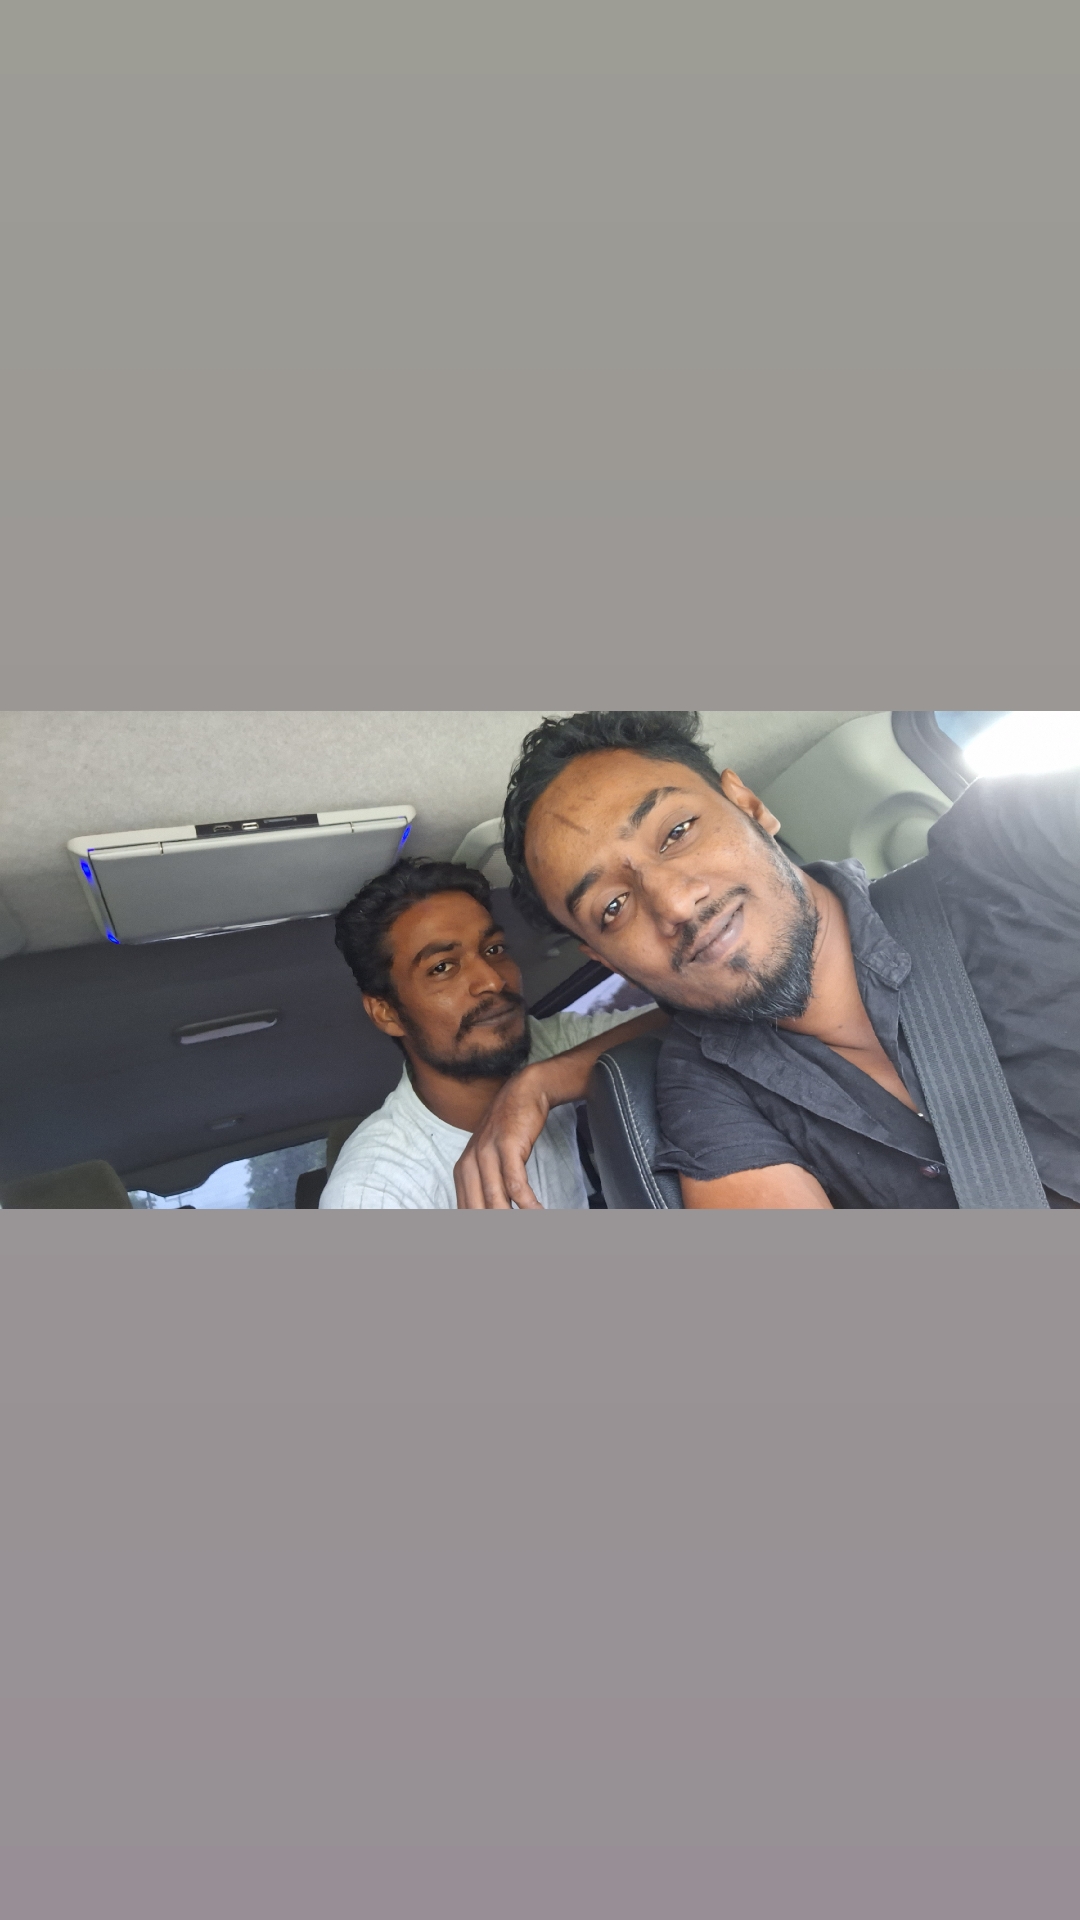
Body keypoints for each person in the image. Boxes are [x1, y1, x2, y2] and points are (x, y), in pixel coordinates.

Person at [465, 709, 1079, 1210]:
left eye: (677, 831)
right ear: (608, 961)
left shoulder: (1018, 842)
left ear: (749, 805)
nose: (674, 903)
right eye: (613, 906)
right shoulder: (705, 1094)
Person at [319, 857, 664, 1209]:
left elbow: (684, 1027)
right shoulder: (372, 1190)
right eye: (442, 967)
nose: (493, 980)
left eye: (494, 949)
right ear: (387, 1012)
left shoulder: (546, 1048)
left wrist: (543, 1085)